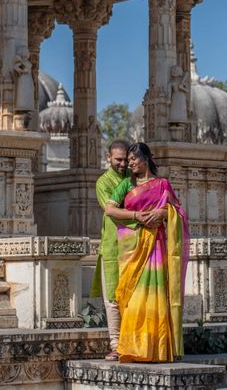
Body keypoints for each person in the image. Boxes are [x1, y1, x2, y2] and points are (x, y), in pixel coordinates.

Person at [104, 142, 188, 363]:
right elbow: (110, 209)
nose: (130, 163)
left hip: (156, 248)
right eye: (128, 159)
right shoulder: (125, 184)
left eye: (134, 158)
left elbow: (179, 213)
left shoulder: (162, 184)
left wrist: (163, 211)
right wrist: (136, 216)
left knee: (154, 296)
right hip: (132, 249)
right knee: (132, 298)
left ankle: (154, 349)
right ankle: (131, 346)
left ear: (146, 159)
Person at [92, 140, 129, 360]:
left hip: (134, 245)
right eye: (118, 159)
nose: (123, 164)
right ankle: (116, 345)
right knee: (113, 298)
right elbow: (111, 210)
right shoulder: (103, 182)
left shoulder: (133, 180)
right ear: (109, 158)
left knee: (133, 296)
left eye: (126, 159)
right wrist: (137, 215)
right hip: (112, 246)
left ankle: (135, 343)